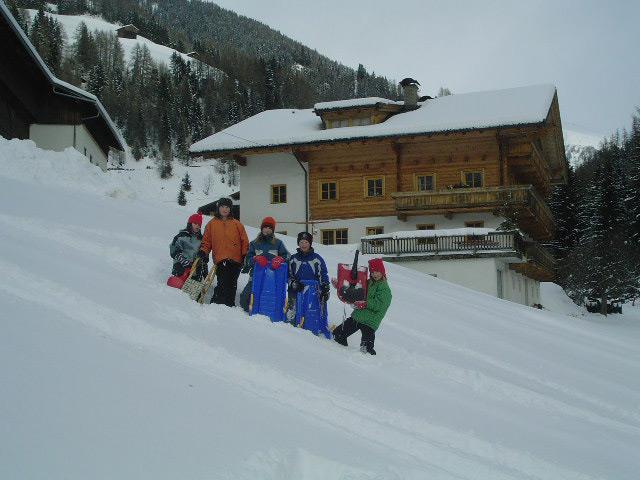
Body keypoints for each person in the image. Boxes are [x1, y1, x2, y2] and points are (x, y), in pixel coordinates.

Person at [332, 258, 392, 355]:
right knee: (337, 335)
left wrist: (366, 303)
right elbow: (355, 291)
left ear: (382, 272)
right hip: (358, 317)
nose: (375, 274)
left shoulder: (384, 289)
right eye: (373, 272)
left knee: (366, 349)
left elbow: (380, 305)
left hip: (370, 322)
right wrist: (340, 287)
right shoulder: (368, 282)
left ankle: (370, 361)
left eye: (377, 272)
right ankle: (341, 354)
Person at [198, 198, 249, 307]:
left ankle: (229, 306)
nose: (225, 209)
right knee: (222, 282)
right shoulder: (211, 224)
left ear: (230, 209)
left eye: (227, 207)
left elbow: (244, 241)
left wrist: (245, 254)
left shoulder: (237, 224)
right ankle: (216, 304)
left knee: (232, 284)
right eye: (222, 207)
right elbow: (206, 241)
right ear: (218, 208)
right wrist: (203, 251)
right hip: (221, 259)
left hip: (236, 260)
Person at [239, 216, 290, 312]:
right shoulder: (254, 243)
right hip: (256, 276)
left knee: (272, 300)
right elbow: (247, 260)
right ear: (262, 228)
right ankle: (250, 317)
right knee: (244, 299)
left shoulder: (278, 243)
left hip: (273, 277)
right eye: (265, 227)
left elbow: (288, 256)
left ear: (273, 230)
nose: (267, 229)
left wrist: (280, 259)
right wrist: (255, 258)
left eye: (270, 228)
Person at [287, 232, 330, 309]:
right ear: (298, 243)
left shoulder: (317, 259)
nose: (304, 245)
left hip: (313, 293)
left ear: (310, 243)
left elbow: (323, 274)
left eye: (306, 242)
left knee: (311, 313)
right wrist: (293, 284)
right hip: (296, 292)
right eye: (301, 242)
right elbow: (288, 275)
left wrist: (325, 288)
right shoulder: (293, 259)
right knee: (296, 313)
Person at [169, 213, 205, 279]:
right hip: (181, 262)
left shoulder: (200, 239)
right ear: (190, 224)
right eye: (195, 223)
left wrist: (202, 258)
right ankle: (178, 279)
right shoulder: (182, 236)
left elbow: (203, 250)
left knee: (198, 274)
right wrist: (182, 260)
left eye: (199, 225)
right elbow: (174, 249)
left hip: (193, 264)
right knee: (181, 272)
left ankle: (196, 282)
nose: (197, 226)